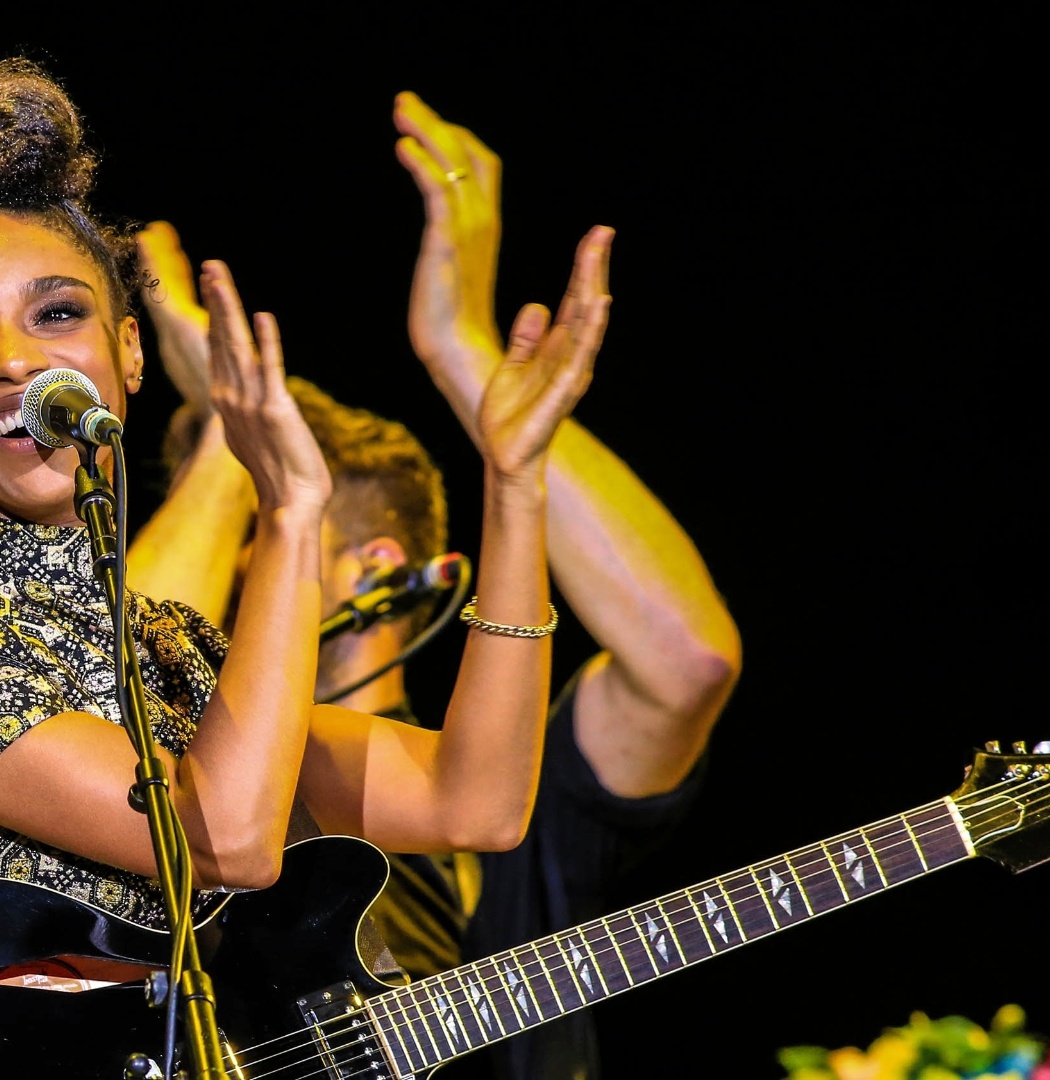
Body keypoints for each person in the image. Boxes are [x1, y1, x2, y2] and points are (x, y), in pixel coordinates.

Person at [0, 45, 597, 1034]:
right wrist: (287, 510)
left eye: (57, 313)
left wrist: (515, 482)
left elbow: (475, 802)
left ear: (130, 351)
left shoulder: (175, 650)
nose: (13, 360)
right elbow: (228, 840)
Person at [124, 92, 742, 1080]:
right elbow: (116, 669)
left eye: (268, 540)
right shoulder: (196, 782)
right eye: (255, 531)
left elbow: (686, 658)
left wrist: (466, 352)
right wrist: (228, 447)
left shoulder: (510, 786)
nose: (233, 576)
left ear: (373, 568)